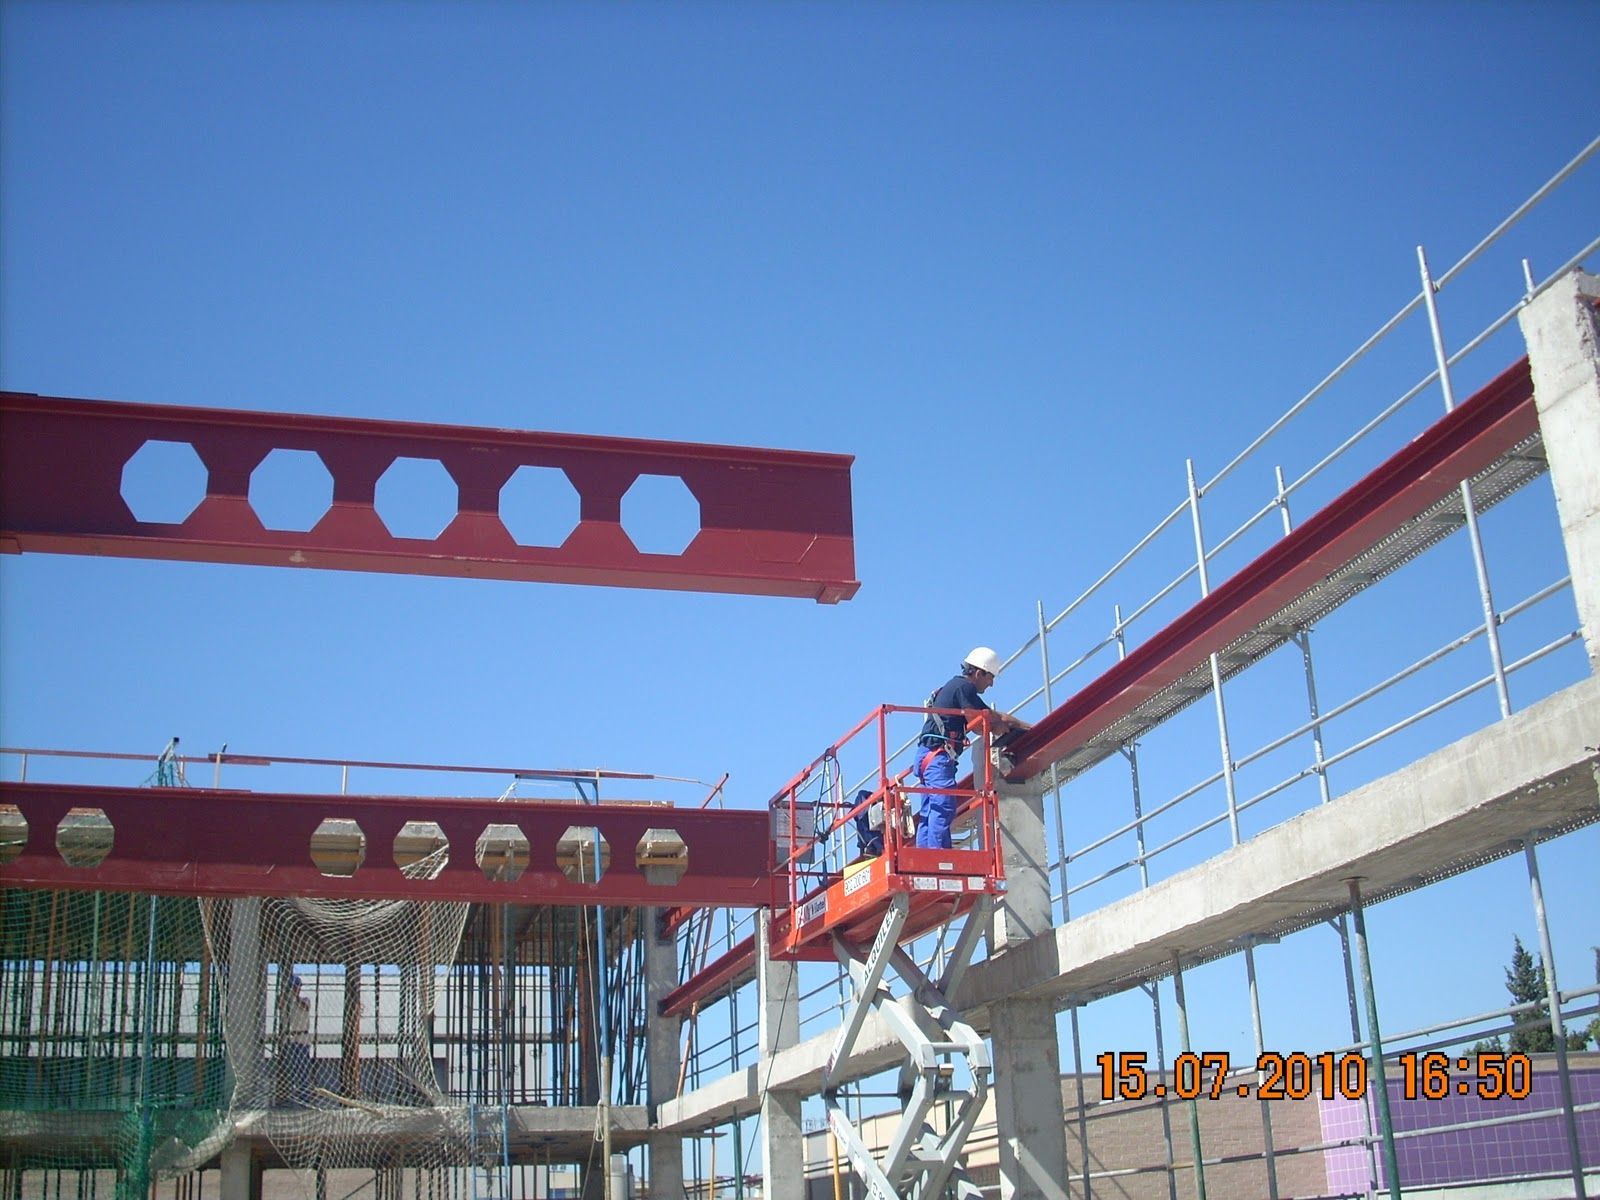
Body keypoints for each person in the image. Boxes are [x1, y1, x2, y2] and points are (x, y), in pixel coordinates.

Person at [911, 646, 1031, 849]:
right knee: (943, 806)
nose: (991, 683)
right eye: (990, 677)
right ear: (978, 672)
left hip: (927, 756)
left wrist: (1001, 722)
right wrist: (1017, 725)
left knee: (930, 810)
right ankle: (939, 858)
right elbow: (980, 719)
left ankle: (926, 858)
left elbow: (981, 721)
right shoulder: (964, 688)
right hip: (937, 757)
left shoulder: (955, 687)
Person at [277, 972, 312, 1105]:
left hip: (302, 1038)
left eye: (296, 987)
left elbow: (305, 1007)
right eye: (292, 987)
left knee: (302, 1069)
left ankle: (304, 1097)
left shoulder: (304, 1000)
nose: (294, 989)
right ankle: (289, 1096)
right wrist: (286, 997)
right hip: (289, 1038)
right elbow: (279, 1006)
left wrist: (295, 997)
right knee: (290, 1069)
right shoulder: (287, 1002)